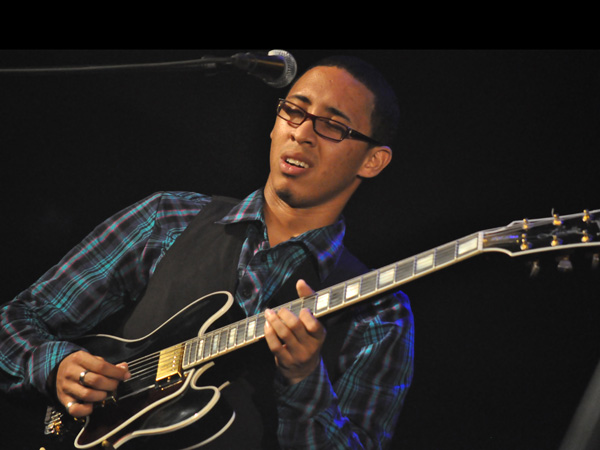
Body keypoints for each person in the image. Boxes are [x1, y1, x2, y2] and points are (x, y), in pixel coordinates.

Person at [0, 55, 414, 449]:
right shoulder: (169, 217)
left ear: (373, 161)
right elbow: (15, 321)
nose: (302, 132)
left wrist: (304, 378)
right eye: (294, 110)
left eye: (332, 126)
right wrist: (55, 366)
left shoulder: (378, 311)